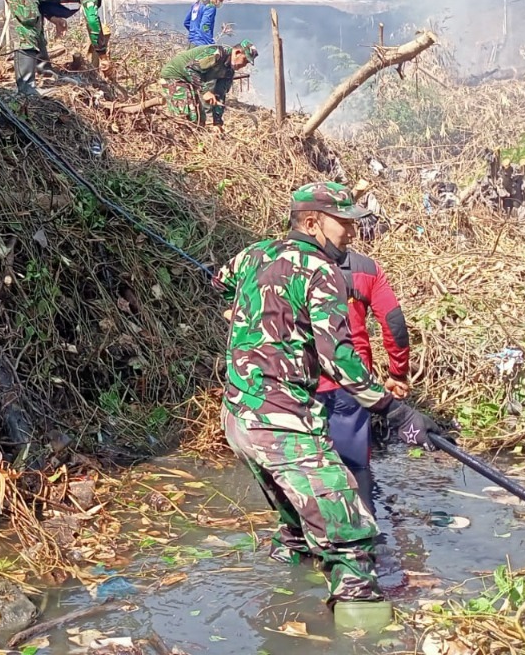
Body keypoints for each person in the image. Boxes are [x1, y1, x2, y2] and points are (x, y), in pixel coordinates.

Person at [215, 181, 445, 621]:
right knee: (352, 536)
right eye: (344, 223)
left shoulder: (254, 254)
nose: (351, 233)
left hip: (238, 417)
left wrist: (246, 316)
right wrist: (396, 412)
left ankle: (288, 605)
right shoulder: (319, 270)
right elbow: (338, 358)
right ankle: (365, 630)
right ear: (311, 222)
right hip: (281, 421)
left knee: (297, 528)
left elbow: (221, 284)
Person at [316, 250, 412, 515]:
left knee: (303, 471)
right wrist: (397, 372)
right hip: (351, 385)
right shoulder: (365, 268)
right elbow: (394, 323)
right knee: (355, 471)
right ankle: (366, 543)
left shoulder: (282, 261)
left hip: (297, 384)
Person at [0, 0, 109, 97]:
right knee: (29, 23)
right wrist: (103, 55)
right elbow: (92, 19)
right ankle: (26, 88)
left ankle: (45, 71)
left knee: (35, 22)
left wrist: (55, 19)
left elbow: (39, 1)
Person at [159, 40, 257, 126]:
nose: (244, 65)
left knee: (200, 120)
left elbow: (220, 95)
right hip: (175, 76)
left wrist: (217, 122)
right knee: (187, 116)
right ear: (237, 52)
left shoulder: (229, 71)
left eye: (247, 63)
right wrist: (204, 91)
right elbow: (190, 69)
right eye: (245, 60)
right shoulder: (217, 53)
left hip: (190, 82)